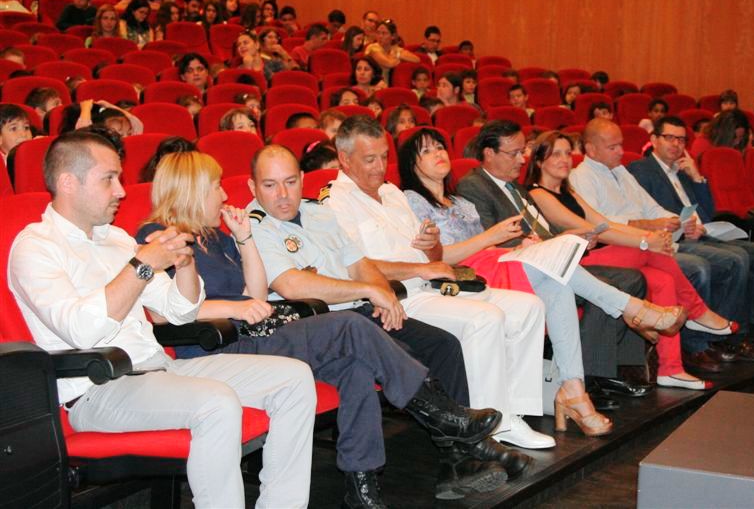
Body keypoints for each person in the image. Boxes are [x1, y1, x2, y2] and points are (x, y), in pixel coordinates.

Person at [138, 150, 506, 505]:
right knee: (349, 325)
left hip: (258, 332)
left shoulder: (215, 236)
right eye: (215, 186)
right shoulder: (157, 236)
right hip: (218, 344)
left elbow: (255, 292)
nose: (222, 195)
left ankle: (362, 490)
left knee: (355, 367)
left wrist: (244, 239)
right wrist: (235, 307)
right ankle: (439, 414)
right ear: (191, 190)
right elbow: (164, 314)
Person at [8, 130, 317, 508]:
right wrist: (141, 265)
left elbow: (180, 311)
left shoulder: (116, 240)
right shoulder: (35, 248)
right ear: (68, 183)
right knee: (216, 402)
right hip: (97, 388)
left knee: (294, 379)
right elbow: (82, 330)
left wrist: (184, 263)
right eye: (109, 179)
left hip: (158, 370)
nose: (121, 191)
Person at [249, 144, 534, 489]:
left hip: (356, 311)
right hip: (316, 324)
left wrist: (380, 291)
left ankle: (458, 460)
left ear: (302, 178)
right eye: (270, 185)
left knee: (442, 344)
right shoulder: (255, 226)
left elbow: (359, 262)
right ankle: (469, 443)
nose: (283, 194)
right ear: (253, 187)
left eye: (290, 182)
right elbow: (292, 285)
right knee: (403, 350)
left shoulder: (316, 212)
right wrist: (368, 291)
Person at [400, 128, 684, 429]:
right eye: (427, 150)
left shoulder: (459, 202)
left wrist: (516, 246)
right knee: (558, 269)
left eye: (440, 147)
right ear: (411, 163)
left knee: (558, 284)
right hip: (460, 277)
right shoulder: (411, 201)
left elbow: (490, 247)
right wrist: (491, 237)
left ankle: (574, 390)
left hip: (492, 262)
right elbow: (438, 258)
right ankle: (634, 310)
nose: (439, 153)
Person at [324, 115, 555, 450]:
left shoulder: (391, 193)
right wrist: (421, 268)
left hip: (429, 287)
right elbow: (356, 267)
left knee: (528, 307)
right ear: (345, 159)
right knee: (485, 319)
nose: (380, 167)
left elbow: (432, 255)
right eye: (369, 159)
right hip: (396, 298)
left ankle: (513, 413)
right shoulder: (334, 202)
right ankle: (490, 423)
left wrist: (431, 244)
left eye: (384, 157)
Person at [453, 122, 701, 392]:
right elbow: (492, 237)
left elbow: (545, 230)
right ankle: (596, 374)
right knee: (623, 273)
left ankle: (620, 368)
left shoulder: (515, 188)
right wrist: (557, 241)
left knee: (632, 278)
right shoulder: (474, 185)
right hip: (517, 268)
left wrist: (572, 238)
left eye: (522, 152)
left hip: (549, 258)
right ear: (489, 153)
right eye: (514, 153)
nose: (522, 160)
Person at [526, 129, 743, 379]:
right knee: (644, 250)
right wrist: (646, 240)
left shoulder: (569, 191)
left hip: (597, 255)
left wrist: (649, 237)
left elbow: (605, 223)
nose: (565, 160)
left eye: (567, 153)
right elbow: (592, 230)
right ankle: (697, 312)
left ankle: (671, 369)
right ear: (539, 161)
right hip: (575, 265)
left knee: (664, 280)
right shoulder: (537, 194)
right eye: (556, 154)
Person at [569, 119, 754, 369]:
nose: (620, 152)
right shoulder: (582, 177)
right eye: (612, 147)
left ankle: (672, 365)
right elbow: (602, 225)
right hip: (614, 248)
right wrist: (651, 230)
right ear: (591, 149)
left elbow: (652, 208)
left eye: (621, 145)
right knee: (696, 267)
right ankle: (696, 337)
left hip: (643, 243)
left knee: (673, 274)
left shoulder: (621, 171)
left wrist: (672, 222)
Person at [628, 116, 754, 356]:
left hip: (702, 233)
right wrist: (683, 227)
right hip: (676, 239)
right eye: (669, 138)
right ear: (654, 139)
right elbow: (649, 214)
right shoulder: (641, 170)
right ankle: (730, 335)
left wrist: (697, 178)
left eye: (681, 139)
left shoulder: (683, 171)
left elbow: (707, 213)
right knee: (736, 259)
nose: (676, 144)